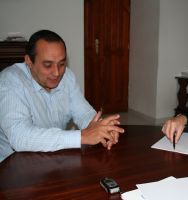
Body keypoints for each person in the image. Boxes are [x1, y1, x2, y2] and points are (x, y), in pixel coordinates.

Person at [0, 30, 124, 162]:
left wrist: (102, 128)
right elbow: (20, 137)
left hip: (54, 157)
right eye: (48, 65)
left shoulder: (67, 77)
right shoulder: (10, 81)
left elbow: (83, 113)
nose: (56, 73)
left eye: (62, 64)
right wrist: (81, 137)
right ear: (29, 61)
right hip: (13, 165)